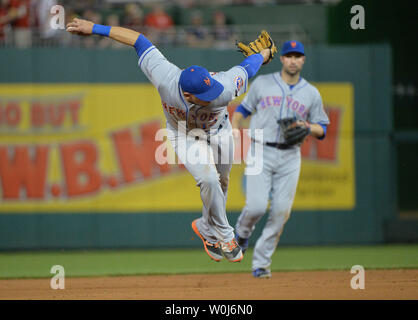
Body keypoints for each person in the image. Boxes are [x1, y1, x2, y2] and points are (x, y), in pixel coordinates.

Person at [66, 18, 274, 263]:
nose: (211, 97)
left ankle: (206, 228)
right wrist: (95, 29)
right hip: (183, 134)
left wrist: (265, 53)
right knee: (208, 179)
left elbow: (247, 67)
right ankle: (226, 235)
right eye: (204, 96)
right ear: (187, 94)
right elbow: (139, 40)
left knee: (222, 182)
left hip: (219, 131)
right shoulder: (166, 78)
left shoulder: (223, 87)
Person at [232, 40, 330, 277]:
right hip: (260, 150)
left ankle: (261, 264)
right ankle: (242, 233)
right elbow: (240, 112)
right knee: (255, 206)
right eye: (289, 56)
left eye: (298, 56)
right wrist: (235, 130)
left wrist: (308, 126)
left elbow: (323, 128)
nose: (293, 60)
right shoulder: (263, 84)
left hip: (290, 155)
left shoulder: (311, 93)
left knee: (281, 212)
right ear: (282, 59)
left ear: (303, 60)